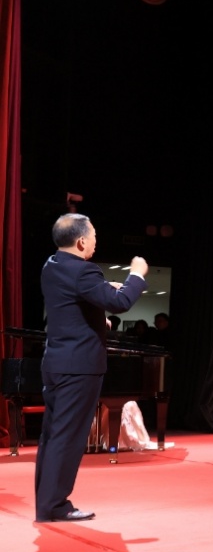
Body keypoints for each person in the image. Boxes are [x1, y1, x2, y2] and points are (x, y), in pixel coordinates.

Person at [36, 213, 147, 522]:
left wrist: (99, 318)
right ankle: (54, 506)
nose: (96, 242)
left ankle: (47, 503)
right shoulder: (84, 271)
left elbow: (69, 304)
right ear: (82, 241)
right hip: (79, 367)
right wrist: (136, 275)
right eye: (94, 236)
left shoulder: (52, 265)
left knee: (52, 436)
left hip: (56, 362)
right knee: (68, 438)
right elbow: (121, 302)